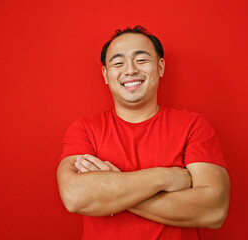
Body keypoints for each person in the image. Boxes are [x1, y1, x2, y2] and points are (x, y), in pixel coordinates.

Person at [57, 25, 230, 240]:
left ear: (161, 67)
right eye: (118, 63)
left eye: (141, 60)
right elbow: (75, 196)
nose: (130, 70)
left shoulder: (194, 125)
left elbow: (213, 210)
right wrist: (165, 177)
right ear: (105, 74)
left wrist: (112, 189)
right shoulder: (84, 129)